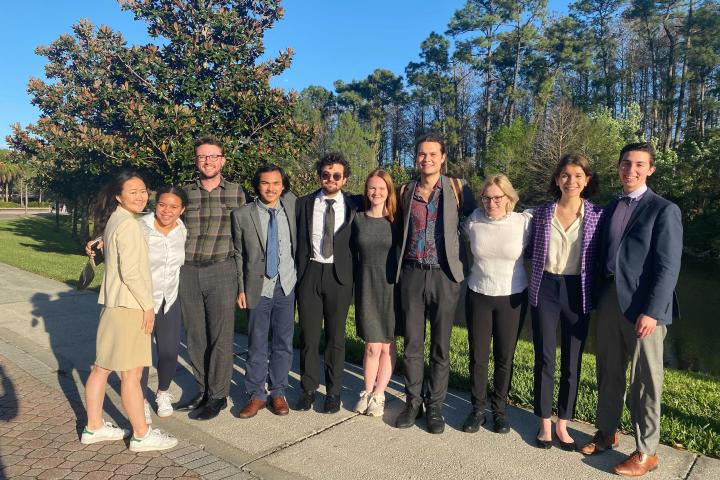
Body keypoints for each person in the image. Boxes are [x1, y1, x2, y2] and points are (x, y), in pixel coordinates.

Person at [579, 142, 682, 477]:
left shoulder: (663, 210)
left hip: (643, 308)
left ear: (650, 169)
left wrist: (652, 311)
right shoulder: (610, 207)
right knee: (609, 370)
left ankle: (646, 451)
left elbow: (668, 267)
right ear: (619, 166)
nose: (631, 170)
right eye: (626, 163)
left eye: (639, 164)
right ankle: (606, 432)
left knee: (645, 380)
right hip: (609, 297)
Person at [81, 171, 178, 452]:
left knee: (101, 368)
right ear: (118, 196)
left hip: (114, 305)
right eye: (132, 191)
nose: (140, 196)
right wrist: (148, 306)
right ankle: (141, 434)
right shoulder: (129, 225)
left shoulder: (115, 221)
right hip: (130, 306)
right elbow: (132, 272)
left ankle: (94, 426)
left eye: (143, 190)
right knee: (132, 376)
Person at [395, 133, 476, 434]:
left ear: (443, 157)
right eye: (421, 154)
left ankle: (435, 407)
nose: (426, 159)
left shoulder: (458, 188)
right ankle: (413, 401)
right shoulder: (405, 190)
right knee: (412, 344)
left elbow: (481, 218)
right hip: (413, 274)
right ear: (415, 158)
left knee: (441, 346)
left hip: (445, 275)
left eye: (432, 154)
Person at [527, 153, 603, 451]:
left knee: (572, 361)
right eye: (565, 175)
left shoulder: (597, 215)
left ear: (587, 180)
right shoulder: (541, 212)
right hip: (545, 286)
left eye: (578, 176)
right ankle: (544, 422)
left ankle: (563, 423)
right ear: (557, 179)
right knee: (545, 357)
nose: (571, 181)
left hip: (577, 290)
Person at [176, 136, 246, 420]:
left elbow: (244, 240)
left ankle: (218, 395)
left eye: (213, 156)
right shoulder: (184, 193)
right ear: (196, 160)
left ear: (223, 160)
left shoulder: (237, 193)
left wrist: (243, 283)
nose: (208, 161)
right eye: (203, 156)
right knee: (195, 336)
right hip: (188, 271)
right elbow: (160, 223)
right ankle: (202, 389)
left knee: (221, 336)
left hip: (222, 269)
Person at [461, 174, 531, 434]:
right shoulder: (474, 220)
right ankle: (477, 409)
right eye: (486, 197)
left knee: (504, 357)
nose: (491, 203)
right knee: (478, 357)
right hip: (478, 295)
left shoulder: (523, 222)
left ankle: (499, 411)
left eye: (497, 198)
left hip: (512, 298)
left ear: (509, 198)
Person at [295, 153, 361, 413]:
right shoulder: (304, 204)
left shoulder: (356, 205)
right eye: (326, 174)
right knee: (309, 336)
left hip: (339, 276)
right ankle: (308, 389)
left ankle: (333, 392)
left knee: (336, 338)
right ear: (319, 176)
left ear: (344, 179)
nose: (330, 179)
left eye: (336, 175)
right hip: (310, 271)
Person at [231, 164, 297, 419]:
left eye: (276, 183)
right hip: (258, 287)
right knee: (257, 342)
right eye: (265, 183)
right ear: (257, 185)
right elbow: (238, 254)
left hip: (286, 285)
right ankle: (256, 394)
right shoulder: (242, 215)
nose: (271, 188)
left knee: (283, 342)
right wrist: (240, 287)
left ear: (283, 186)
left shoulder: (292, 207)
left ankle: (278, 391)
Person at [351, 169, 399, 418]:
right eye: (372, 187)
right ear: (366, 190)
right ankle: (366, 391)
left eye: (381, 188)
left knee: (386, 345)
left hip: (391, 288)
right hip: (366, 286)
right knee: (371, 346)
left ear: (388, 191)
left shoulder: (396, 221)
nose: (376, 192)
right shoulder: (357, 219)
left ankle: (380, 394)